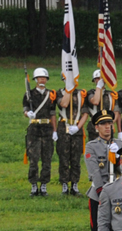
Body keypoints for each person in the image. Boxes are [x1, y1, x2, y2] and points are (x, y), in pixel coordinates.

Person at [85, 111, 119, 231]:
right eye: (103, 124)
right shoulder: (91, 146)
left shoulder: (120, 144)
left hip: (118, 195)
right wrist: (103, 194)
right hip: (99, 196)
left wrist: (119, 155)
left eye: (110, 124)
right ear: (96, 127)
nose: (107, 127)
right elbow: (95, 173)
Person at [23, 67, 57, 196]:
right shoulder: (29, 94)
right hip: (34, 129)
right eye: (39, 78)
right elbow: (25, 109)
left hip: (47, 129)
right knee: (34, 159)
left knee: (47, 159)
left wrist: (55, 130)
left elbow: (53, 114)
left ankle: (43, 185)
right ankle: (33, 185)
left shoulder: (51, 95)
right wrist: (28, 113)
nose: (42, 79)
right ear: (35, 79)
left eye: (44, 78)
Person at [55, 79, 88, 195]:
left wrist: (78, 127)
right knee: (63, 157)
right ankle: (64, 184)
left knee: (75, 158)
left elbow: (85, 113)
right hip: (63, 127)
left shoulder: (82, 94)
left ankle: (75, 184)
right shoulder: (59, 93)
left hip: (76, 128)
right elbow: (63, 104)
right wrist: (68, 91)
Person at [85, 69, 116, 140]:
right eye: (98, 78)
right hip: (94, 125)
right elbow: (95, 101)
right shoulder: (90, 93)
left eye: (102, 78)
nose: (100, 80)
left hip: (108, 125)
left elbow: (116, 111)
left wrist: (111, 123)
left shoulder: (111, 94)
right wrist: (98, 87)